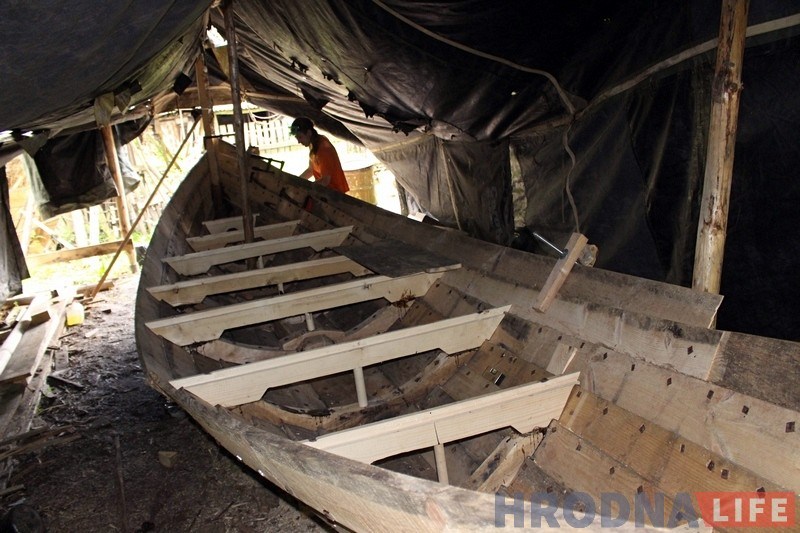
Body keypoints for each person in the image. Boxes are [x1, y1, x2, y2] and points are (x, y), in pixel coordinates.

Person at [289, 117, 350, 194]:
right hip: (326, 191)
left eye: (300, 137)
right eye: (297, 138)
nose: (298, 141)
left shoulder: (323, 148)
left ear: (309, 133)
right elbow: (310, 170)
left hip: (334, 194)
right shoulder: (313, 144)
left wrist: (306, 188)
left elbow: (325, 181)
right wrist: (296, 182)